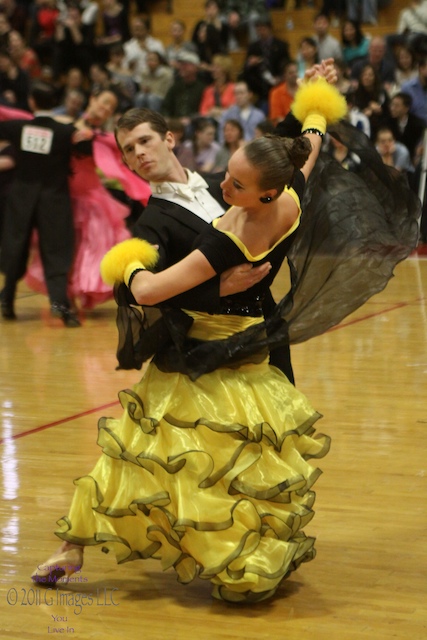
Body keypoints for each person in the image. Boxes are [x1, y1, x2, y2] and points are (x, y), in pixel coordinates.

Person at [31, 62, 420, 603]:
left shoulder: (228, 185)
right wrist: (215, 287)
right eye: (127, 151)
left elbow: (287, 158)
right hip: (199, 348)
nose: (139, 154)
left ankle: (251, 546)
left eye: (145, 140)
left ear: (169, 138)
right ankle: (76, 543)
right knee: (146, 449)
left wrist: (310, 101)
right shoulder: (153, 223)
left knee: (252, 453)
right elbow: (142, 293)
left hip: (261, 336)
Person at [23, 86, 150, 311]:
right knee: (65, 250)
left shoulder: (105, 138)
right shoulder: (63, 124)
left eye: (110, 108)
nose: (104, 109)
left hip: (92, 198)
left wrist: (95, 136)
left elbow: (118, 144)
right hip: (63, 197)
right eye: (103, 102)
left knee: (91, 249)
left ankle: (77, 294)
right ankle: (64, 296)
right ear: (92, 99)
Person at [0, 81, 83, 325]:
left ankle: (7, 298)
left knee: (15, 245)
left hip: (21, 196)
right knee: (56, 249)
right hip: (54, 198)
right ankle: (59, 303)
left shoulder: (17, 128)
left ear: (32, 102)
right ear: (54, 102)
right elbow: (86, 147)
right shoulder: (66, 131)